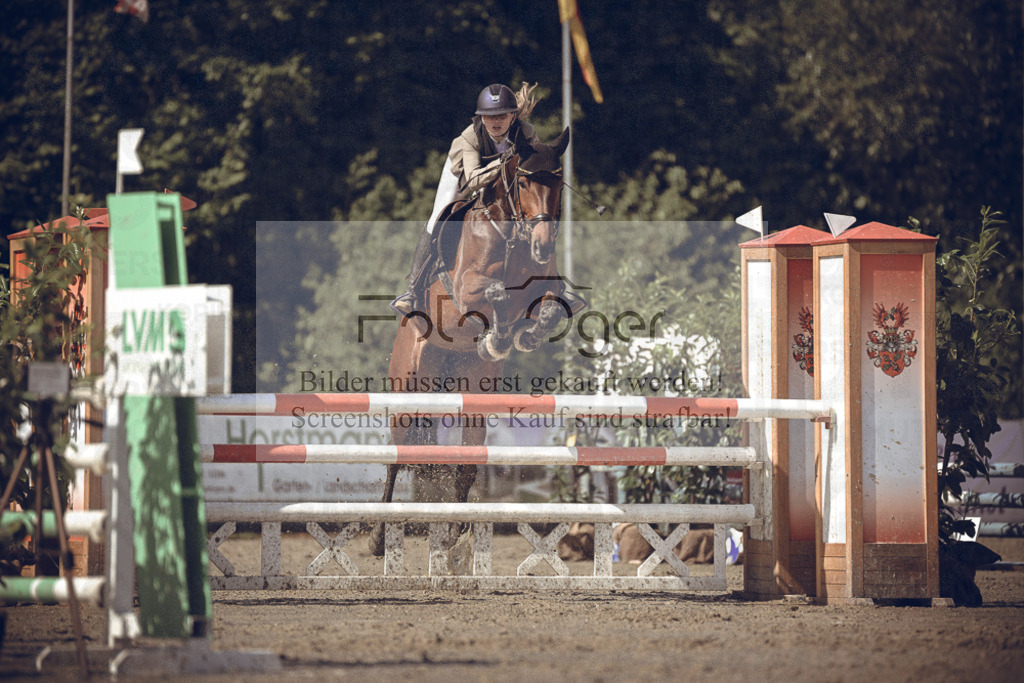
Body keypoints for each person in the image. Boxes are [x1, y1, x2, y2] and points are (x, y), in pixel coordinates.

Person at [391, 83, 541, 316]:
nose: (496, 121)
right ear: (481, 117)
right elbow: (472, 180)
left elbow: (533, 169)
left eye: (502, 115)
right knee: (436, 219)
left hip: (503, 180)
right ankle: (412, 291)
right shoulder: (470, 136)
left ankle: (550, 286)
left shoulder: (527, 132)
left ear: (513, 116)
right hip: (462, 174)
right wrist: (505, 163)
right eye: (489, 116)